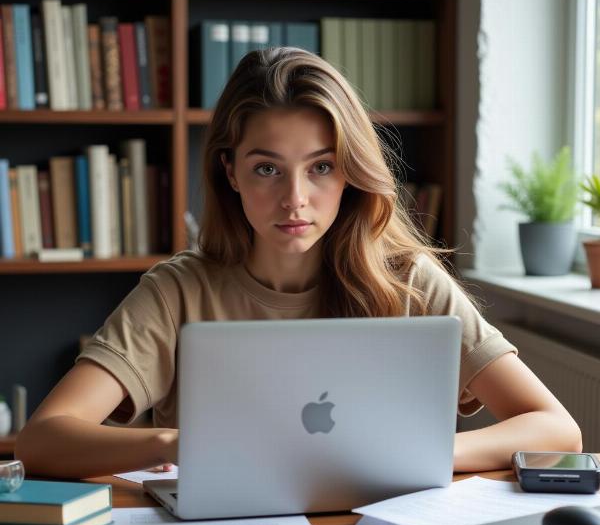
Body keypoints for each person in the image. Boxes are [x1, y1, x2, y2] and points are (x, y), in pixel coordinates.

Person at [15, 47, 581, 479]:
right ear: (229, 172)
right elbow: (41, 440)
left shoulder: (406, 279)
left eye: (321, 167)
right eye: (267, 169)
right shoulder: (178, 291)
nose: (295, 199)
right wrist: (181, 443)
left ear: (351, 172)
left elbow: (557, 431)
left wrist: (422, 457)